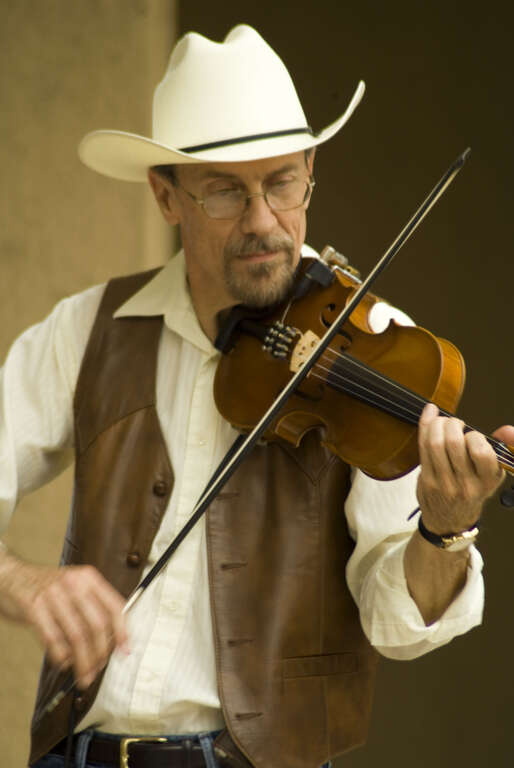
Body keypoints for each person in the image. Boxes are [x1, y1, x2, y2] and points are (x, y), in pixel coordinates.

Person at [0, 23, 511, 768]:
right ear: (166, 196)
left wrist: (443, 531)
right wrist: (23, 583)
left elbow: (397, 625)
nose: (265, 221)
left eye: (282, 182)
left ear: (311, 171)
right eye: (225, 193)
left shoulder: (376, 346)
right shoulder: (88, 330)